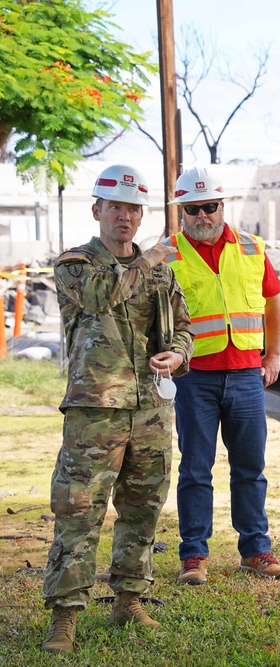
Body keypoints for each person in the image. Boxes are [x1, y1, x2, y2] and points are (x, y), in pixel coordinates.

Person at [41, 164, 193, 654]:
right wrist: (147, 260)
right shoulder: (75, 263)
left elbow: (183, 327)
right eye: (116, 207)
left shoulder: (160, 271)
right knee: (79, 511)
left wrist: (178, 354)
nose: (125, 217)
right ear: (97, 211)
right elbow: (100, 298)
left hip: (149, 407)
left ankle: (129, 598)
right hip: (95, 411)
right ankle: (65, 615)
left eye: (133, 209)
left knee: (142, 507)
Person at [162, 166, 280, 585]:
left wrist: (272, 355)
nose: (203, 216)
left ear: (222, 206)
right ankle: (194, 556)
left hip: (247, 376)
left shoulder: (252, 248)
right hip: (194, 377)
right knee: (195, 469)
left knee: (250, 467)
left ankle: (256, 550)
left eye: (210, 207)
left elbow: (273, 302)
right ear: (182, 211)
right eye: (193, 208)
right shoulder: (165, 255)